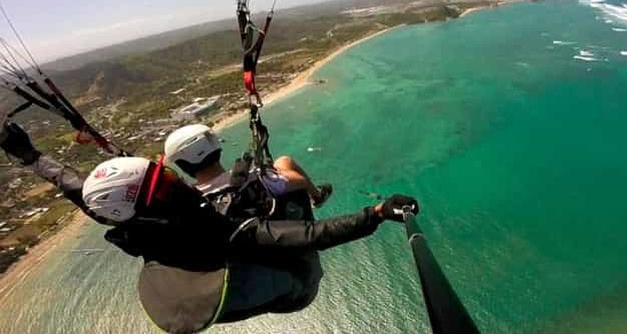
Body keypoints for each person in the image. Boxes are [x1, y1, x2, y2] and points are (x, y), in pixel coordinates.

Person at [0, 121, 419, 334]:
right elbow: (310, 236)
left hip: (206, 292)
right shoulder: (217, 225)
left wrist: (30, 156)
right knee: (287, 185)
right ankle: (311, 198)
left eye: (164, 173)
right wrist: (377, 212)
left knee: (283, 179)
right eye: (162, 183)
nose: (170, 180)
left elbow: (75, 186)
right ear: (153, 202)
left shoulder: (132, 223)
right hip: (293, 287)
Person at [164, 124, 332, 208]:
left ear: (182, 164)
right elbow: (300, 180)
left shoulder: (191, 200)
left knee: (283, 161)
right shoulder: (252, 179)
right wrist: (274, 172)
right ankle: (316, 196)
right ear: (217, 149)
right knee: (285, 161)